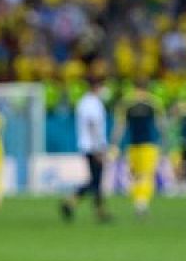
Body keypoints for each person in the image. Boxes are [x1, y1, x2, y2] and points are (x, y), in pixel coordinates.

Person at [110, 79, 167, 216]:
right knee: (146, 175)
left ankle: (139, 203)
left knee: (136, 176)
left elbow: (120, 126)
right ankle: (142, 202)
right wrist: (164, 141)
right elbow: (161, 124)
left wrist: (114, 143)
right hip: (149, 145)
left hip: (133, 145)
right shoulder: (153, 102)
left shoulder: (126, 103)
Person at [60, 76, 111, 222]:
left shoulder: (85, 102)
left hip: (88, 145)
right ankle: (71, 201)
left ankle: (98, 210)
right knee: (95, 180)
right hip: (93, 146)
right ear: (96, 87)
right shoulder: (92, 103)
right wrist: (98, 148)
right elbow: (92, 125)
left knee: (96, 180)